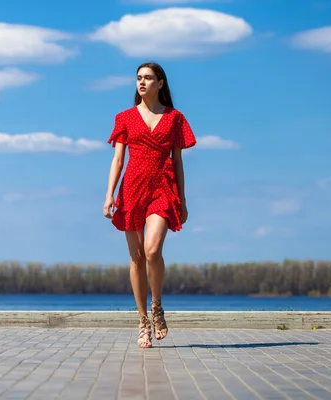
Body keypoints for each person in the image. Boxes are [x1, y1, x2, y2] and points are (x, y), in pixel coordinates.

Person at [103, 62, 196, 348]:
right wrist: (110, 195)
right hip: (132, 189)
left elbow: (178, 161)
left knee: (152, 250)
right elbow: (118, 159)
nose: (141, 82)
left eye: (148, 78)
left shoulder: (175, 118)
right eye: (138, 78)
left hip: (162, 188)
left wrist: (182, 199)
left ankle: (157, 307)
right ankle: (142, 320)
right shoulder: (125, 118)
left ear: (160, 84)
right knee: (136, 258)